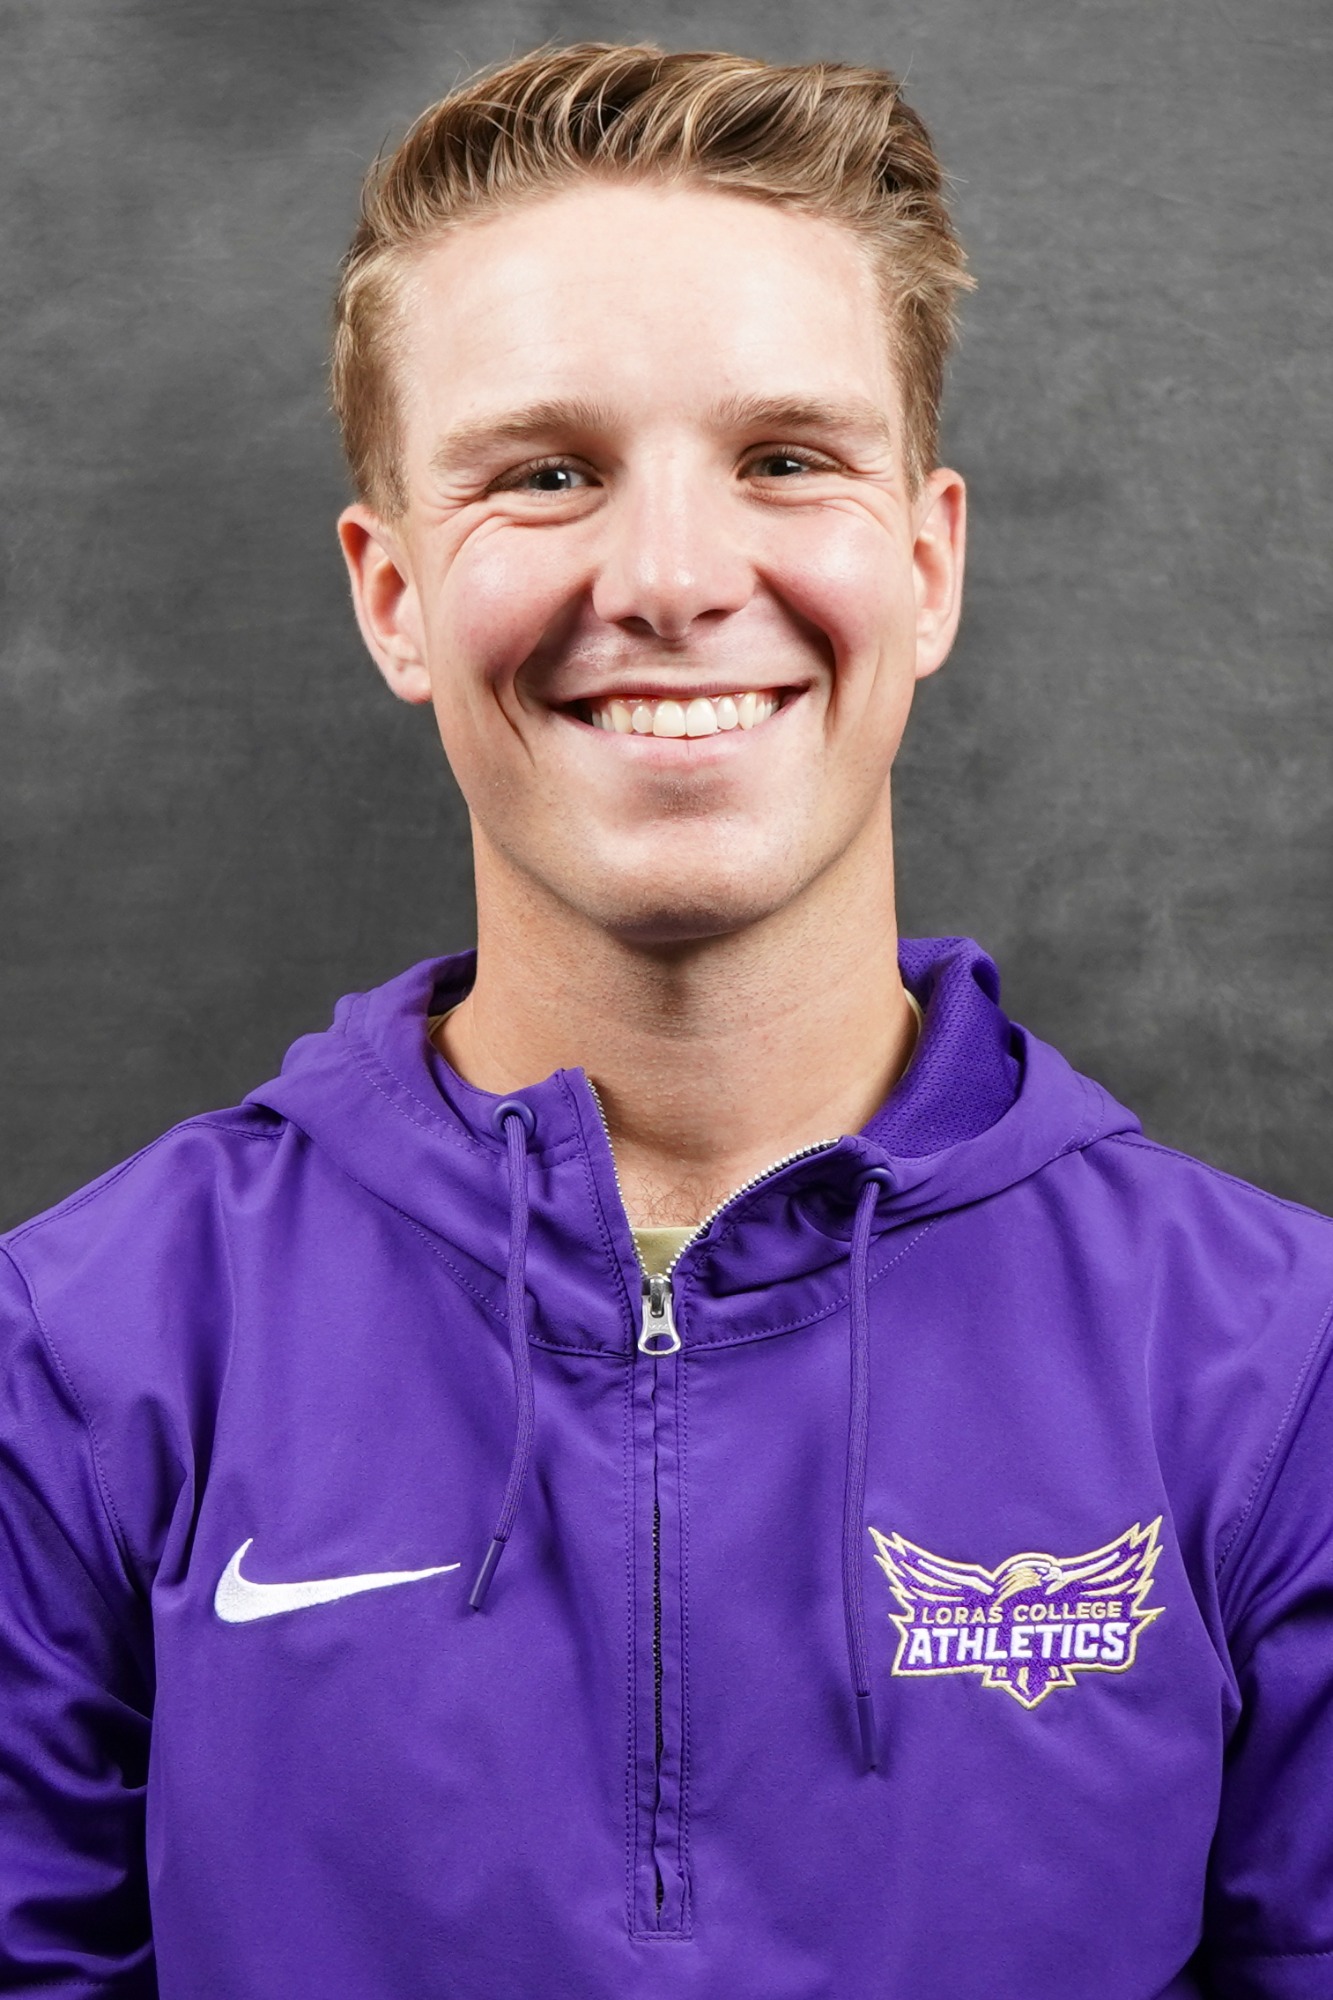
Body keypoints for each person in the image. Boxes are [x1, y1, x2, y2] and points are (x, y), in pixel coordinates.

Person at [1, 41, 1329, 2000]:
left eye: (785, 457)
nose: (676, 579)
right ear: (392, 594)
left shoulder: (1274, 1368)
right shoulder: (83, 1357)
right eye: (545, 474)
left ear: (927, 561)